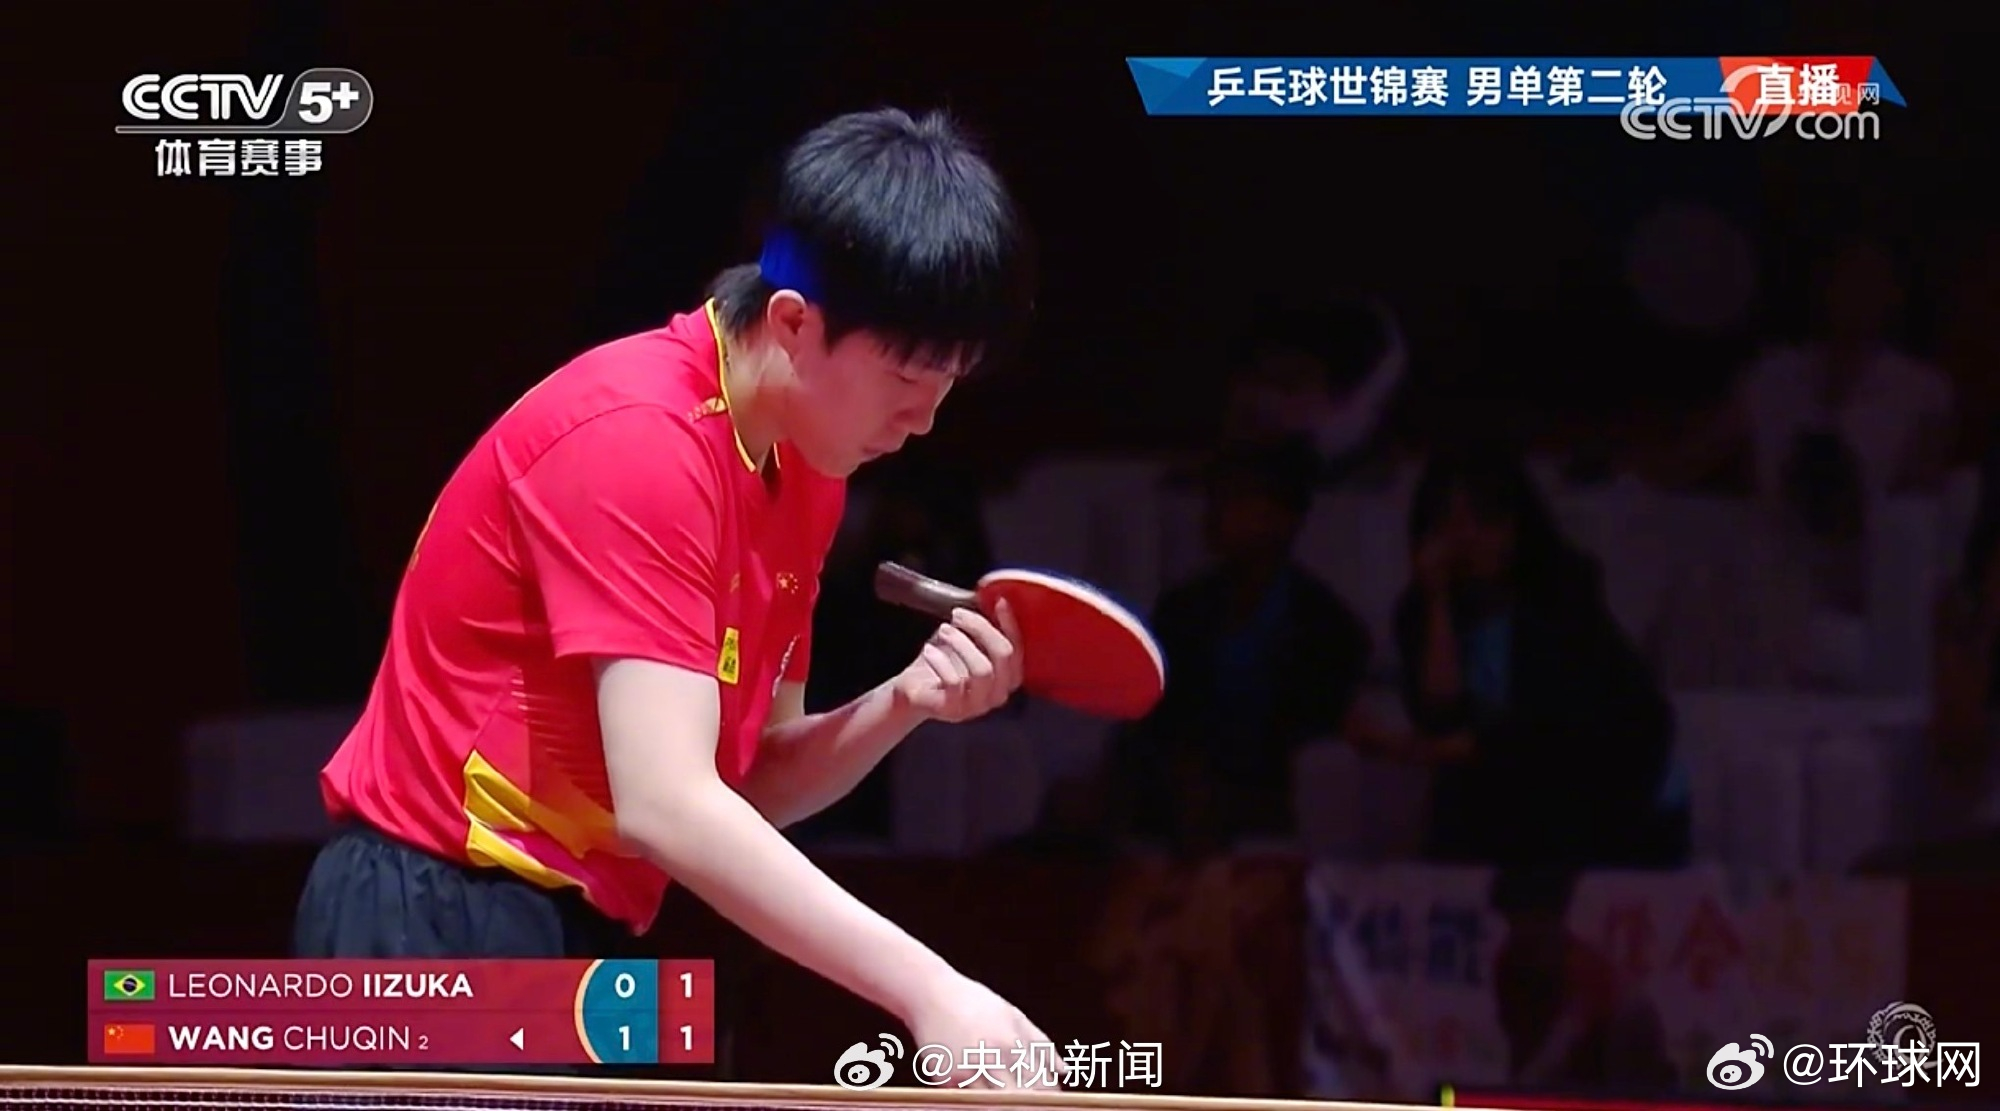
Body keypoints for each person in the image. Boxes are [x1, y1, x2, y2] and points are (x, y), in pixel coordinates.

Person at [294, 109, 1054, 1083]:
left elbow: (745, 785)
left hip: (580, 927)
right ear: (794, 321)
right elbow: (667, 803)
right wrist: (930, 989)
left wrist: (902, 702)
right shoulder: (640, 437)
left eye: (950, 382)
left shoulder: (804, 469)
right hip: (430, 914)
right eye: (907, 375)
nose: (925, 419)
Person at [1394, 445, 1686, 870]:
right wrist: (1437, 602)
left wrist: (1459, 747)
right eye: (1448, 523)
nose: (1467, 538)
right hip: (1503, 796)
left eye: (1485, 520)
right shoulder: (1420, 613)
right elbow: (1438, 715)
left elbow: (1557, 725)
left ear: (1516, 526)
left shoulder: (1564, 595)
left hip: (1607, 781)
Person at [1109, 437, 1373, 850]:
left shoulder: (1326, 625)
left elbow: (1313, 731)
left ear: (1285, 519)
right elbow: (1153, 717)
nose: (1218, 513)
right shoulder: (1182, 608)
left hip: (1267, 792)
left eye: (1240, 500)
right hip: (1177, 785)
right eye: (1217, 498)